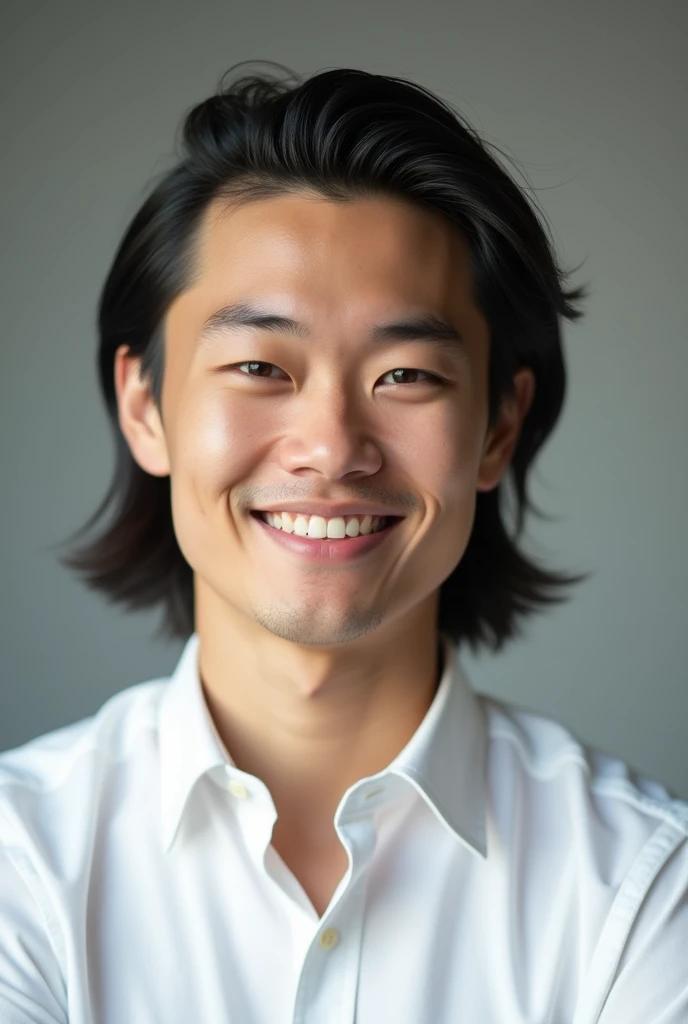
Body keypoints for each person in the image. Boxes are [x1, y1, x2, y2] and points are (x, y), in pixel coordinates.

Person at [1, 61, 686, 1024]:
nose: (331, 448)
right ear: (144, 404)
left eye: (405, 375)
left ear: (498, 427)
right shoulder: (19, 861)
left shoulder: (643, 891)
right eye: (256, 365)